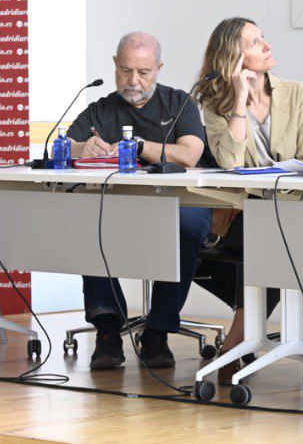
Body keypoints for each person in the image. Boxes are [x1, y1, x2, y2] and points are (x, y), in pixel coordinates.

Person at [195, 16, 303, 384]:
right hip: (246, 215)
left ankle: (235, 343)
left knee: (284, 230)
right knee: (278, 232)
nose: (268, 46)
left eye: (264, 38)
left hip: (296, 208)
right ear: (235, 56)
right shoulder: (215, 103)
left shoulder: (296, 93)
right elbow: (230, 161)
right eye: (257, 42)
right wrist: (240, 100)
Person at [64, 32, 212, 371]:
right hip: (119, 206)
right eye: (126, 71)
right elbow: (63, 145)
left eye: (143, 72)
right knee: (90, 220)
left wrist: (140, 146)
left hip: (179, 203)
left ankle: (158, 330)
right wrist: (78, 149)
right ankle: (107, 328)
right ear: (115, 65)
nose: (133, 81)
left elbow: (190, 154)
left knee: (186, 227)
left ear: (159, 68)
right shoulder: (100, 109)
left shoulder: (179, 104)